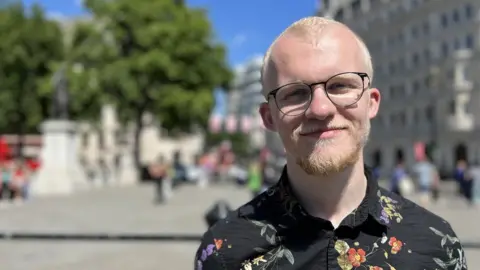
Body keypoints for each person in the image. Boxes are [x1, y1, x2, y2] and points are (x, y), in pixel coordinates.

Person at [194, 17, 467, 270]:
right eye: (296, 93)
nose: (321, 109)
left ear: (370, 103)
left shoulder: (437, 246)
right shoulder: (223, 251)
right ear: (269, 117)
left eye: (340, 86)